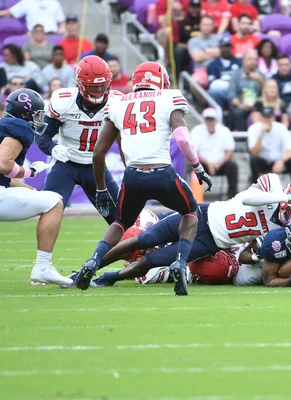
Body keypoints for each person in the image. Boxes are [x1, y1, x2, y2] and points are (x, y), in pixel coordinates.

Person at [74, 61, 213, 295]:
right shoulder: (169, 97)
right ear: (161, 80)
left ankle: (93, 261)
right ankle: (179, 262)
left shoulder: (117, 103)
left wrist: (100, 190)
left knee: (121, 222)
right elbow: (181, 137)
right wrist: (198, 167)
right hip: (162, 173)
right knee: (191, 213)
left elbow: (98, 153)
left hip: (133, 176)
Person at [89, 175, 291, 288]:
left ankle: (110, 278)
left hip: (212, 242)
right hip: (204, 215)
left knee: (156, 259)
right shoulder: (273, 186)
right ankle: (91, 266)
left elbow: (252, 249)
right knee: (145, 239)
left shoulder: (285, 229)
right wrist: (283, 198)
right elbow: (247, 197)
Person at [35, 56, 121, 224]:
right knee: (49, 209)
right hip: (66, 164)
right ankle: (42, 252)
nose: (99, 92)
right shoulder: (63, 101)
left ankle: (132, 251)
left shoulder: (117, 102)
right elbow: (41, 136)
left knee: (120, 217)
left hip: (96, 166)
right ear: (80, 85)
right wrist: (53, 149)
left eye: (102, 86)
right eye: (93, 87)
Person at [0, 88, 71, 286]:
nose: (39, 120)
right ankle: (43, 267)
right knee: (54, 202)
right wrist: (30, 171)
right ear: (25, 113)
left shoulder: (4, 125)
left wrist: (26, 188)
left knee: (42, 197)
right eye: (38, 115)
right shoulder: (18, 126)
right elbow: (4, 165)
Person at [192, 107, 238, 199]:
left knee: (233, 166)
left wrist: (219, 163)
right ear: (204, 120)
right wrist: (208, 163)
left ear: (216, 120)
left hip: (221, 164)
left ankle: (232, 197)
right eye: (208, 119)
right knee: (194, 167)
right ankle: (196, 197)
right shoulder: (196, 131)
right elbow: (193, 152)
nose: (210, 122)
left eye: (211, 119)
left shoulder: (224, 131)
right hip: (202, 164)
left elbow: (229, 151)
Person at [248, 107, 291, 181]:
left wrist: (281, 160)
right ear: (261, 117)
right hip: (262, 161)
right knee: (254, 159)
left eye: (269, 117)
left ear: (273, 118)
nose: (267, 119)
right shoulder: (254, 128)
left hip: (278, 160)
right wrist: (261, 134)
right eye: (264, 117)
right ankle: (256, 186)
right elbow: (254, 152)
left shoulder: (281, 128)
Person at [228, 49, 264, 131]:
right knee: (238, 112)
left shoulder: (261, 75)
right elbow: (231, 93)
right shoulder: (236, 74)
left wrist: (260, 81)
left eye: (255, 59)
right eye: (250, 59)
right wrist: (241, 105)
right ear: (243, 60)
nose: (253, 62)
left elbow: (268, 93)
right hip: (241, 104)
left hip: (257, 105)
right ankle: (243, 137)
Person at [207, 37, 242, 108]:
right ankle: (217, 115)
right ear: (220, 48)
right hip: (221, 90)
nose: (226, 49)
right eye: (224, 47)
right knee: (214, 91)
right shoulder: (213, 64)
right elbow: (212, 82)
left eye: (228, 46)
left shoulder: (239, 62)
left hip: (236, 89)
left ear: (231, 47)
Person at [188, 16, 221, 87]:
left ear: (213, 26)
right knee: (194, 82)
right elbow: (197, 57)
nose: (206, 27)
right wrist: (215, 53)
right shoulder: (193, 41)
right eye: (204, 24)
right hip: (202, 69)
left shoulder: (219, 38)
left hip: (219, 68)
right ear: (200, 25)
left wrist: (204, 51)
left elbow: (222, 52)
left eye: (209, 25)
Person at [173, 0, 202, 83]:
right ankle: (179, 80)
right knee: (179, 52)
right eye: (193, 7)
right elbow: (176, 43)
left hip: (201, 49)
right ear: (189, 8)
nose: (195, 10)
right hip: (186, 49)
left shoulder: (203, 21)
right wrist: (191, 48)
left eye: (197, 8)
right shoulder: (181, 22)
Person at [0, 0, 65, 34]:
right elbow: (9, 12)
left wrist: (61, 30)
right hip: (33, 35)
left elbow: (61, 23)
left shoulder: (54, 3)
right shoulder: (27, 2)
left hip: (52, 34)